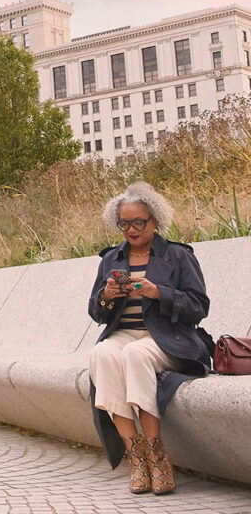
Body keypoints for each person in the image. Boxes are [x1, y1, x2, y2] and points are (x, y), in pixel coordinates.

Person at [88, 181, 212, 495]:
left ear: (155, 220)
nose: (131, 229)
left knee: (136, 354)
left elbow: (199, 307)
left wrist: (160, 293)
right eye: (124, 223)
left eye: (139, 222)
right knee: (101, 354)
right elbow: (96, 312)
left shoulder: (178, 256)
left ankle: (158, 458)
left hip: (170, 339)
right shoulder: (111, 260)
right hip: (125, 335)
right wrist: (107, 295)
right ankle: (137, 457)